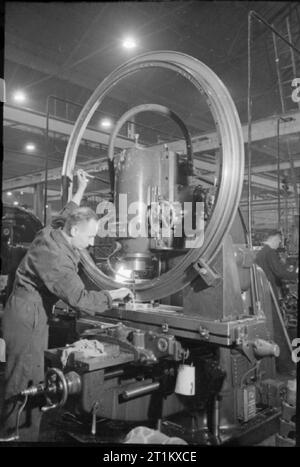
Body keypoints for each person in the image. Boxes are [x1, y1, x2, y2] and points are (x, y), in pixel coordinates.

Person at [0, 169, 133, 441]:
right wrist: (115, 294)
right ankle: (16, 437)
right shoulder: (56, 259)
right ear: (74, 231)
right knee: (25, 384)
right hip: (28, 318)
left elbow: (68, 210)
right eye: (90, 237)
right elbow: (82, 300)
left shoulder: (53, 231)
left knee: (26, 379)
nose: (93, 242)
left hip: (25, 311)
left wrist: (81, 187)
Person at [255, 230, 298, 300]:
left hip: (264, 287)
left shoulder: (263, 251)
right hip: (269, 288)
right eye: (279, 240)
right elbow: (279, 272)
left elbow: (277, 266)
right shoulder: (270, 252)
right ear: (274, 239)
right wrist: (295, 275)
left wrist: (289, 268)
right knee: (273, 310)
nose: (280, 242)